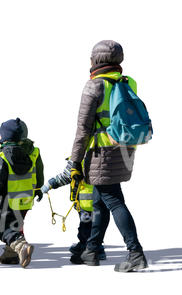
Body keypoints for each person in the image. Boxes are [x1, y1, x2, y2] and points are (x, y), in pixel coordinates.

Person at [69, 40, 147, 272]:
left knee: (113, 200)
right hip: (125, 149)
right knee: (99, 201)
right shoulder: (128, 82)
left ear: (97, 60)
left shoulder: (94, 86)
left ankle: (136, 253)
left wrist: (74, 161)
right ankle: (91, 250)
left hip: (100, 153)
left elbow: (83, 129)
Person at [0, 118, 44, 268]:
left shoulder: (2, 157)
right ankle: (11, 255)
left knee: (2, 227)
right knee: (16, 225)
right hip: (26, 198)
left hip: (6, 199)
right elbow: (39, 174)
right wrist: (38, 188)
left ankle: (21, 246)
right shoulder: (34, 153)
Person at [41, 158, 107, 264]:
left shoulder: (78, 158)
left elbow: (66, 176)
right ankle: (98, 247)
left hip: (85, 201)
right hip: (102, 200)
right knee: (96, 225)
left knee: (85, 226)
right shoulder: (102, 156)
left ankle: (89, 248)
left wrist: (50, 184)